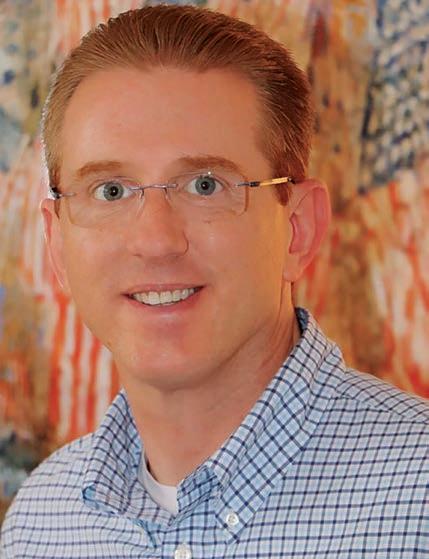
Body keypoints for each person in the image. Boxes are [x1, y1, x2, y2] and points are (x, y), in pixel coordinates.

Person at [1, 5, 427, 558]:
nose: (155, 241)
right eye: (111, 191)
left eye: (204, 185)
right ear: (56, 244)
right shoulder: (40, 523)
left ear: (298, 229)